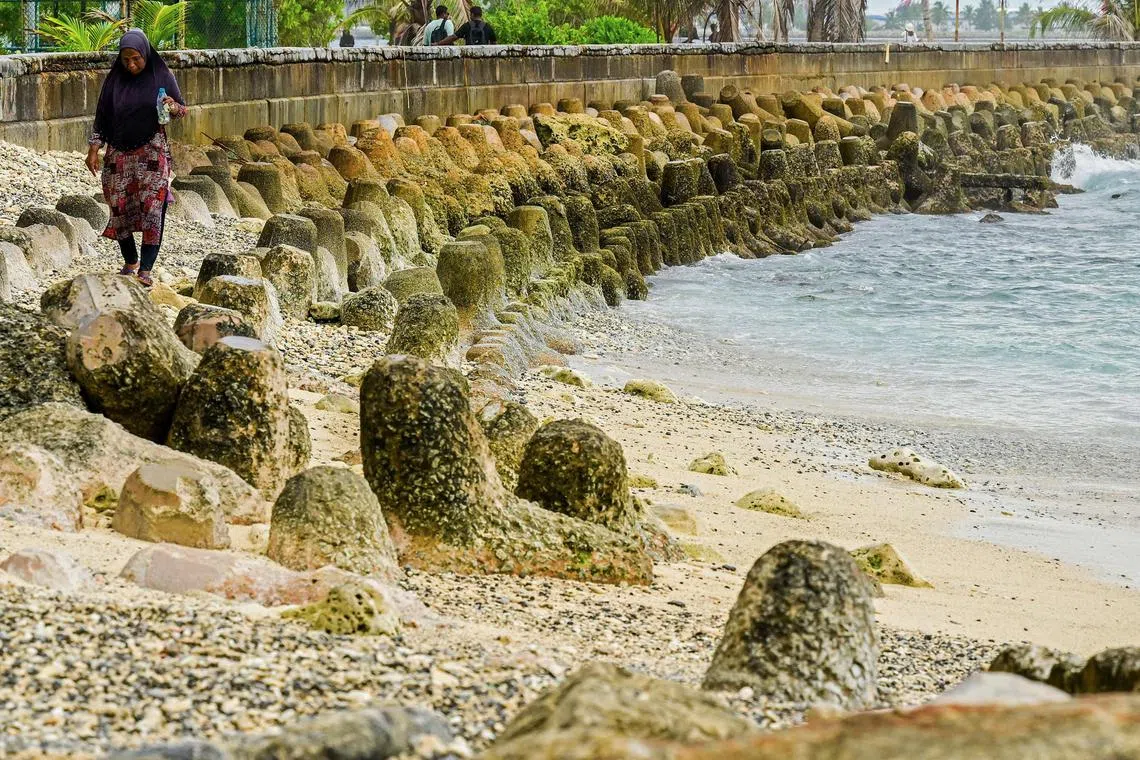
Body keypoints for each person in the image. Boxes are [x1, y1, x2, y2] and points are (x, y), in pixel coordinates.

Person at [85, 29, 187, 289]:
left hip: (152, 155)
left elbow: (181, 110)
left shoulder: (162, 75)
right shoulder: (114, 81)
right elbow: (102, 118)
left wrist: (172, 106)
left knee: (153, 209)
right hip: (118, 155)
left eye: (136, 59)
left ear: (145, 54)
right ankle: (130, 262)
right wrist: (94, 150)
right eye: (126, 60)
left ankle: (146, 269)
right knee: (119, 208)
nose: (131, 65)